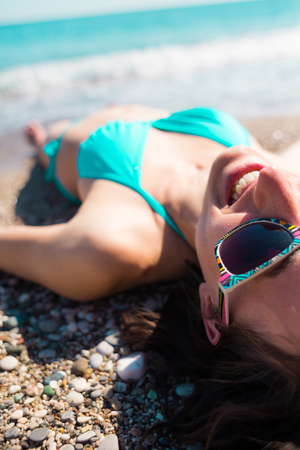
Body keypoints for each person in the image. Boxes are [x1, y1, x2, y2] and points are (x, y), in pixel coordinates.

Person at [5, 103, 300, 449]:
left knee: (46, 141)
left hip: (67, 136)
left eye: (260, 245)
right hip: (141, 104)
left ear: (210, 309)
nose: (277, 179)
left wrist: (45, 146)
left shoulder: (108, 247)